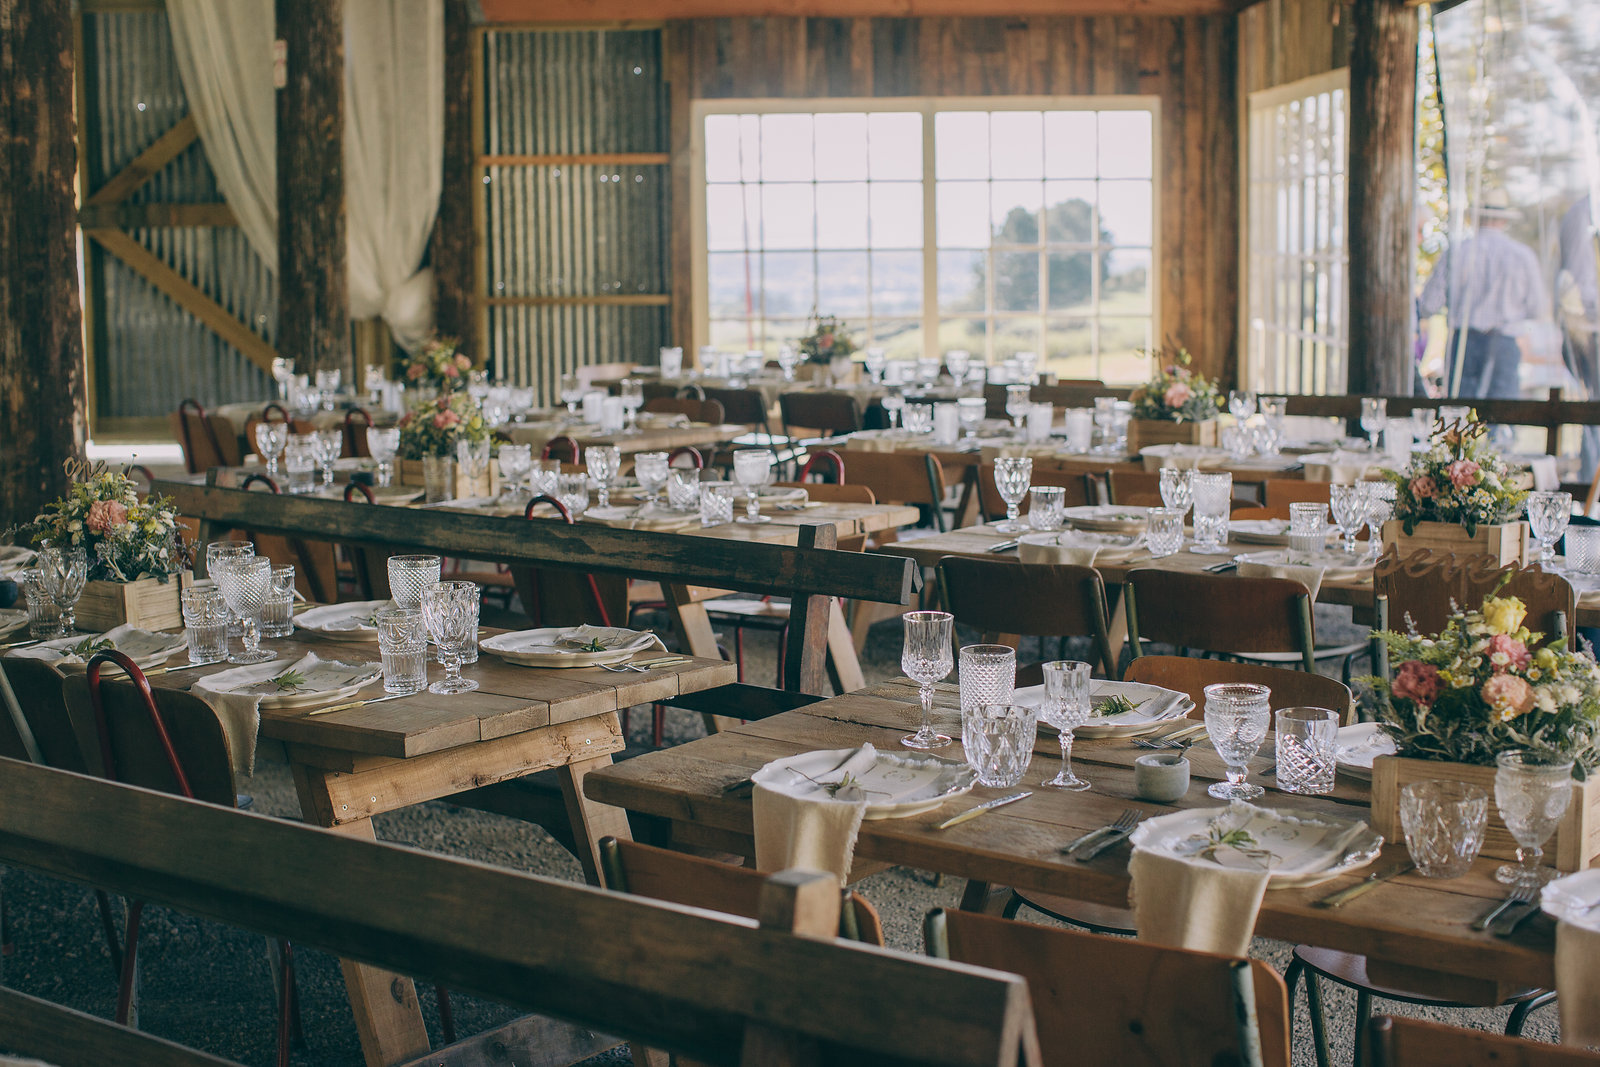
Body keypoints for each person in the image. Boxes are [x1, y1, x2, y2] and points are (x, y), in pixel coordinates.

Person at [1417, 188, 1548, 399]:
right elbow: (1538, 308)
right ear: (1504, 221)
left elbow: (1428, 305)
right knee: (1503, 417)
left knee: (1460, 420)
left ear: (1475, 219)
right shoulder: (1522, 256)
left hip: (1464, 343)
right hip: (1503, 341)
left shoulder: (1457, 252)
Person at [1558, 194, 1600, 482]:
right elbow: (1578, 279)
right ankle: (1589, 491)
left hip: (1588, 325)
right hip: (1589, 329)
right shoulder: (1585, 212)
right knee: (1593, 411)